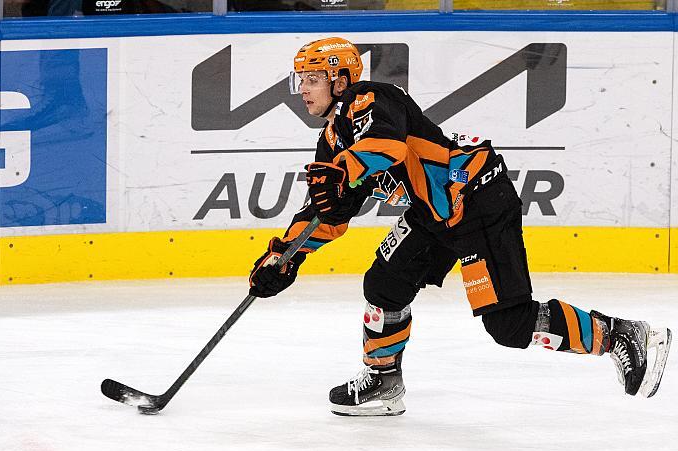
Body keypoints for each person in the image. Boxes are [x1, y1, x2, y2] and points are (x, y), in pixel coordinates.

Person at [248, 37, 672, 416]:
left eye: (311, 79)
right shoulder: (332, 140)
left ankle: (621, 335)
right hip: (433, 213)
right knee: (384, 284)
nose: (302, 89)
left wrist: (345, 170)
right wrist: (283, 257)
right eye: (299, 80)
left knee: (510, 325)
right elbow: (327, 212)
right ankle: (384, 381)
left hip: (476, 197)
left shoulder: (372, 98)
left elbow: (387, 146)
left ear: (340, 80)